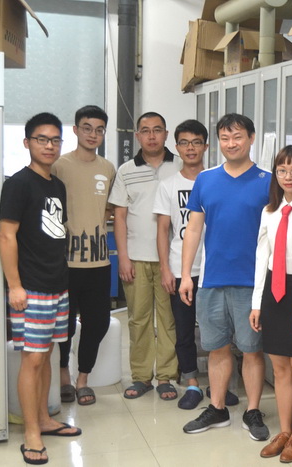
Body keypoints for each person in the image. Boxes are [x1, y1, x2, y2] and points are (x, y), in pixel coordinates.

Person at [180, 113, 271, 441]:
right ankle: (217, 408)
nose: (231, 144)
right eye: (225, 138)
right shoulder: (205, 179)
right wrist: (186, 275)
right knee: (216, 348)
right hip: (212, 280)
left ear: (251, 138)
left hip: (252, 282)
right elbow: (193, 229)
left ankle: (252, 410)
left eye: (238, 137)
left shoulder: (268, 181)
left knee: (251, 350)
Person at [0, 112, 82, 465]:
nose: (49, 146)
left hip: (57, 284)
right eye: (42, 139)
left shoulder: (56, 185)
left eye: (55, 140)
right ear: (27, 142)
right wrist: (14, 286)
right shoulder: (18, 184)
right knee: (32, 359)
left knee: (46, 354)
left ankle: (46, 419)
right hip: (30, 287)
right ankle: (31, 432)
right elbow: (7, 236)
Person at [108, 111, 181, 400]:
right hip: (136, 258)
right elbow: (120, 217)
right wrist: (123, 258)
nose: (152, 136)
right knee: (138, 319)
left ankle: (166, 376)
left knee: (168, 319)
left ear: (166, 134)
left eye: (157, 130)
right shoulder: (126, 170)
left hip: (171, 260)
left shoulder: (180, 166)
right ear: (137, 136)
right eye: (146, 131)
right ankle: (140, 377)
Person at [250, 146, 292, 463]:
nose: (288, 177)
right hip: (272, 293)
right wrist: (256, 303)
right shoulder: (270, 211)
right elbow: (262, 256)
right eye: (282, 170)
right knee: (279, 368)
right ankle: (284, 431)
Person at [52, 105, 115, 407]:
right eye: (87, 128)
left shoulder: (108, 168)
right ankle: (64, 374)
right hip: (65, 262)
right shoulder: (58, 166)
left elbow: (110, 208)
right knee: (63, 324)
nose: (93, 134)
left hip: (99, 262)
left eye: (99, 129)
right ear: (75, 130)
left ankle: (83, 379)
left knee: (98, 322)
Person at [153, 119, 208, 410]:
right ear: (177, 147)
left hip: (212, 269)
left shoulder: (214, 180)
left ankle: (219, 384)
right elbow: (163, 230)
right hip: (180, 269)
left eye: (196, 142)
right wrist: (165, 269)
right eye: (184, 143)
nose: (190, 148)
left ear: (205, 146)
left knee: (216, 331)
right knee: (184, 330)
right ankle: (192, 382)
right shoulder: (168, 185)